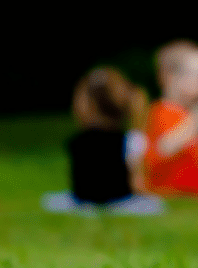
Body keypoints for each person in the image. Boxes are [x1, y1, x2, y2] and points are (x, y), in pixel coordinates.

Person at [41, 67, 165, 215]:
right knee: (155, 205)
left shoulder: (76, 142)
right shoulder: (131, 140)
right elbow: (135, 184)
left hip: (83, 201)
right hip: (120, 202)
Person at [141, 40, 198, 198]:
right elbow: (164, 147)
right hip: (170, 190)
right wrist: (197, 121)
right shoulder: (161, 112)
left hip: (194, 192)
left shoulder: (187, 113)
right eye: (194, 74)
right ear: (168, 77)